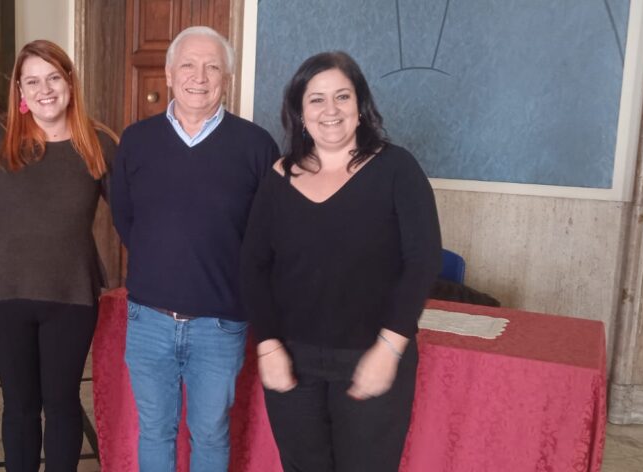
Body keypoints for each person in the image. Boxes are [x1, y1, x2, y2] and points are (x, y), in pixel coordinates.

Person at [239, 51, 442, 471]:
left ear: (360, 106)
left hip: (371, 355)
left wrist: (389, 347)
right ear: (300, 112)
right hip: (292, 359)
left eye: (342, 96)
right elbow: (253, 266)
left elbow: (422, 261)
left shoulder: (396, 168)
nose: (330, 110)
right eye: (316, 99)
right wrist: (268, 343)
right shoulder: (279, 176)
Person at [110, 26, 280, 472]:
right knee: (155, 430)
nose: (199, 77)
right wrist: (163, 259)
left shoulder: (257, 146)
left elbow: (268, 235)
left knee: (210, 432)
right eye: (188, 65)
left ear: (227, 78)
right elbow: (125, 218)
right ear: (169, 74)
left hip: (220, 325)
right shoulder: (136, 140)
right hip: (149, 320)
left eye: (212, 67)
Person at [0, 39, 117, 472]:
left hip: (72, 296)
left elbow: (136, 216)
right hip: (3, 295)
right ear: (19, 89)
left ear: (70, 81)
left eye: (53, 77)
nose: (44, 89)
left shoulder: (98, 143)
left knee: (63, 402)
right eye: (31, 81)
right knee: (19, 405)